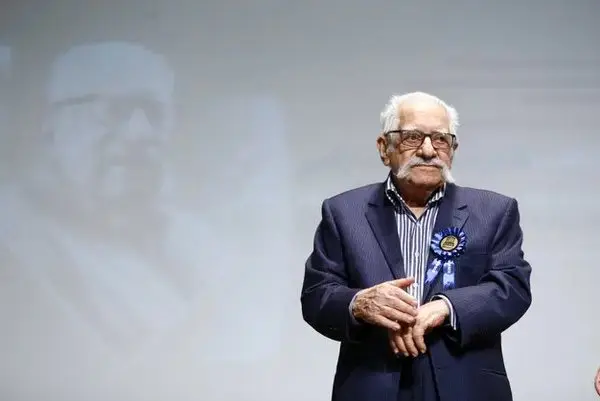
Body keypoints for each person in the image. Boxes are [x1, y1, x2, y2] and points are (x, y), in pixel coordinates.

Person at [300, 91, 532, 401]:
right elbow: (316, 295)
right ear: (384, 148)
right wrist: (359, 304)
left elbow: (512, 286)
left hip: (466, 386)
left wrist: (446, 307)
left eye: (440, 139)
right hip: (372, 384)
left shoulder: (493, 211)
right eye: (412, 137)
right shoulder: (344, 212)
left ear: (453, 150)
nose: (428, 150)